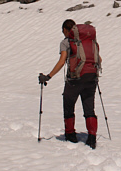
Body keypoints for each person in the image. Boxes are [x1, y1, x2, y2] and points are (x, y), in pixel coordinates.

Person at [39, 19, 102, 148]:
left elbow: (62, 61)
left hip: (75, 79)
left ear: (66, 30)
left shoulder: (66, 42)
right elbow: (99, 59)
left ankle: (70, 134)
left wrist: (48, 76)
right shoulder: (90, 41)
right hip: (91, 78)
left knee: (68, 104)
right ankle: (92, 137)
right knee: (89, 107)